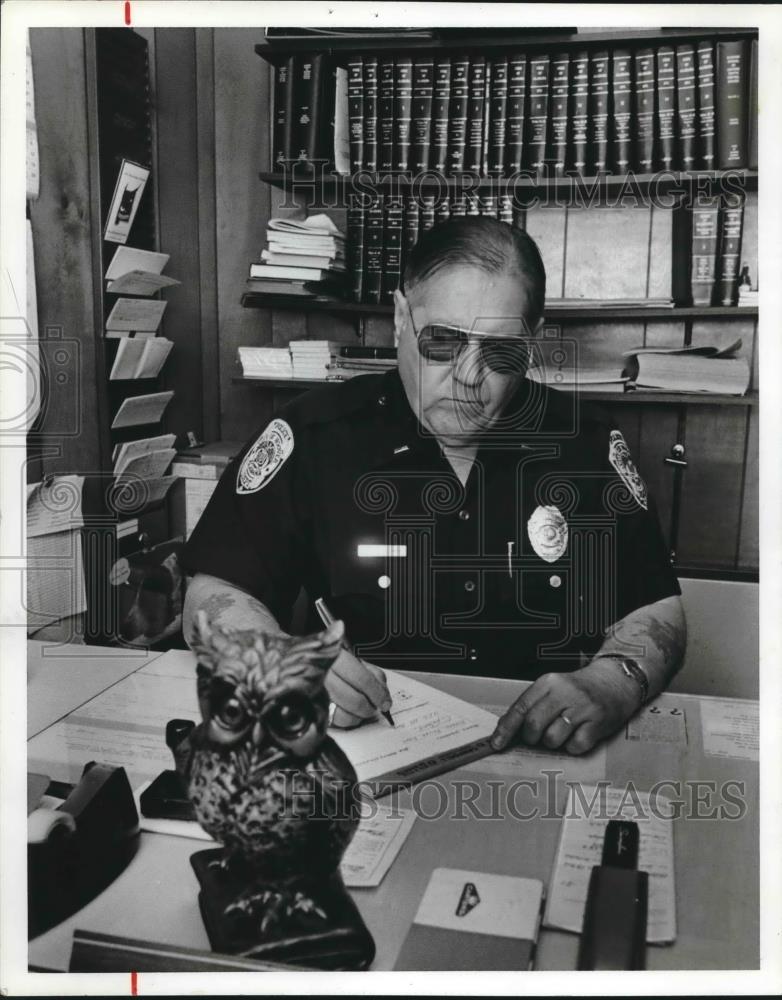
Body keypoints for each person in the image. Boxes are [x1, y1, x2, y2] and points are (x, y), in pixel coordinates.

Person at [181, 217, 686, 755]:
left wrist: (616, 679)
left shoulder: (586, 443)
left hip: (545, 754)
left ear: (531, 345)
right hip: (362, 755)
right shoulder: (314, 436)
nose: (468, 377)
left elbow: (656, 607)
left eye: (500, 352)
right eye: (442, 342)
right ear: (401, 318)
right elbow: (215, 592)